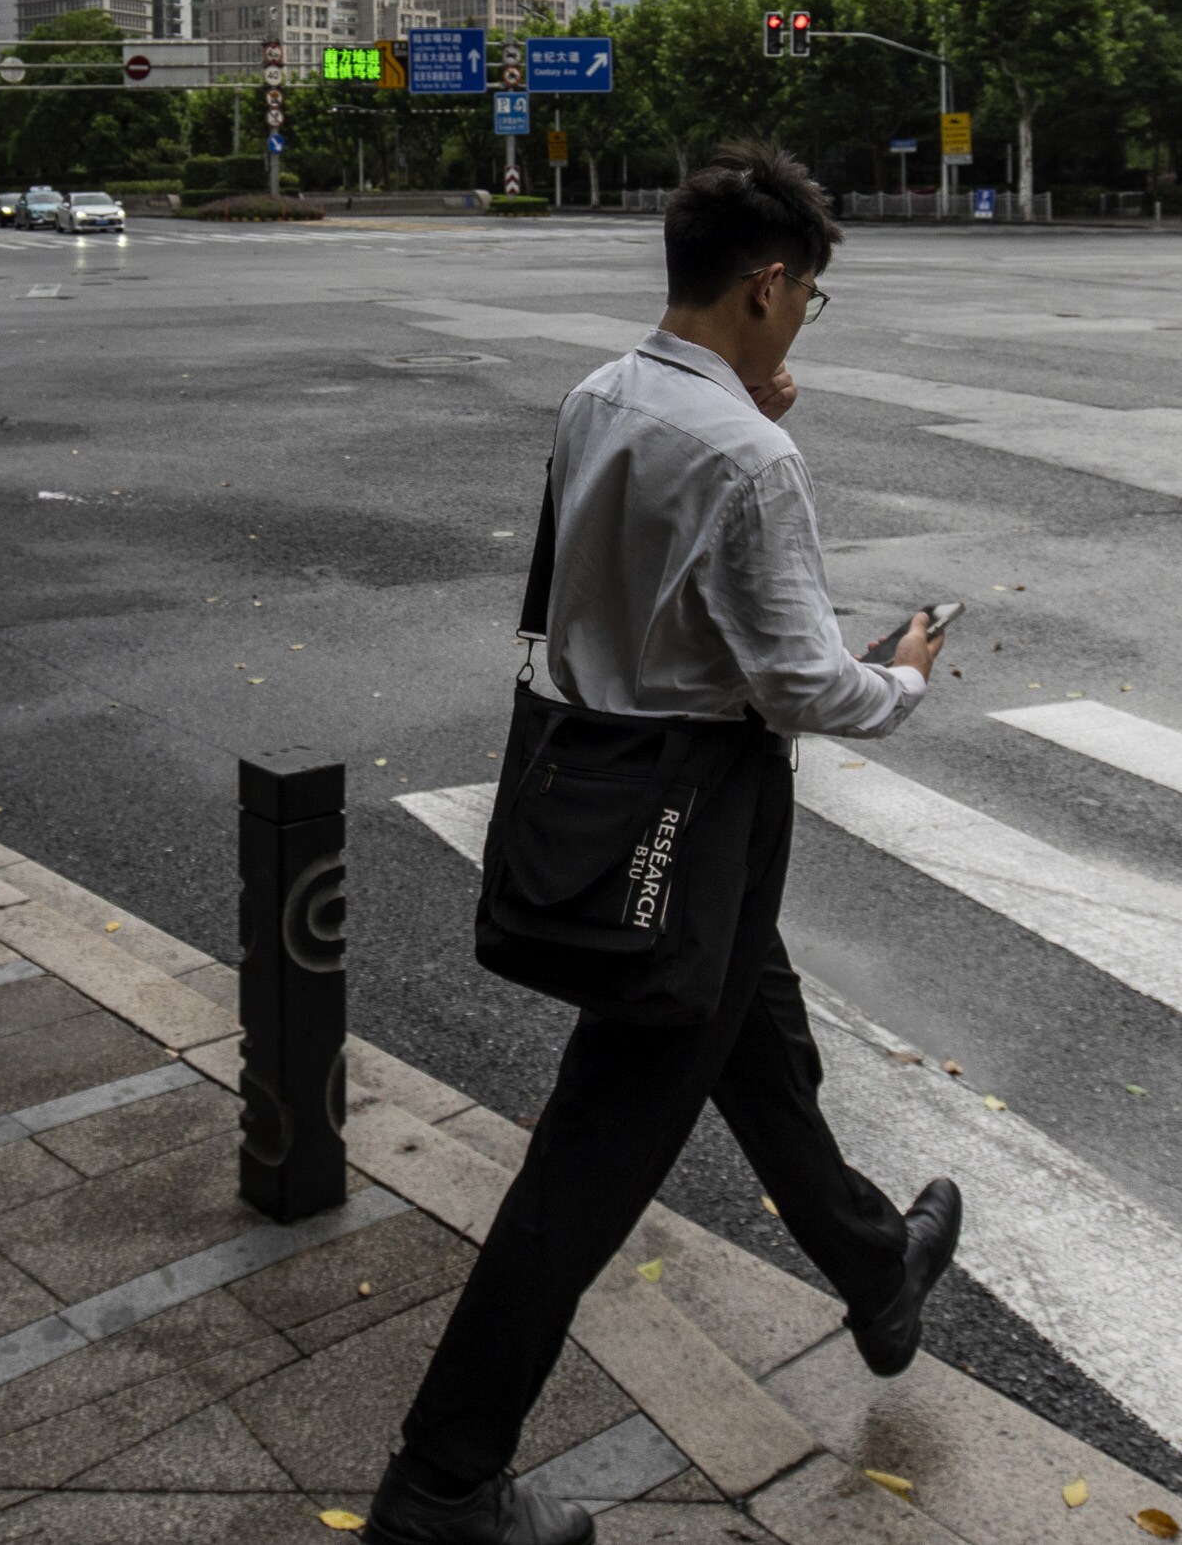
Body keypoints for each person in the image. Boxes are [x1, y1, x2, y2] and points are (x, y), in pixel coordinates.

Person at [363, 141, 962, 1545]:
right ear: (766, 285)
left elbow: (602, 572)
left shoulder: (598, 396)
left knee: (754, 1035)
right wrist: (905, 678)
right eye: (807, 297)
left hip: (595, 775)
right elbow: (798, 684)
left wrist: (747, 402)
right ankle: (442, 1482)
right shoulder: (754, 457)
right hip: (698, 812)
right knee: (593, 1155)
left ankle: (875, 1267)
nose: (805, 319)